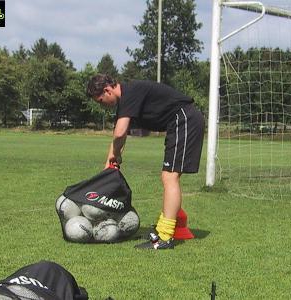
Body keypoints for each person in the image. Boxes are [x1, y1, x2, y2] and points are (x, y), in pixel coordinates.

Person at [87, 74, 204, 249]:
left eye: (101, 101)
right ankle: (163, 229)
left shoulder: (130, 92)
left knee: (169, 177)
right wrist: (108, 169)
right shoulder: (126, 102)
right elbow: (119, 137)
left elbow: (119, 134)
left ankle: (165, 236)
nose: (102, 106)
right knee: (168, 176)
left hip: (184, 119)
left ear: (107, 90)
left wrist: (116, 156)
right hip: (178, 123)